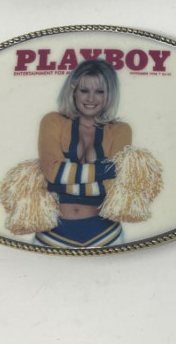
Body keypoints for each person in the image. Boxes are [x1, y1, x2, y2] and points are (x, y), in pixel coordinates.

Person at [34, 59, 132, 248]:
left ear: (110, 94)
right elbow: (52, 173)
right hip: (52, 234)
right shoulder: (52, 121)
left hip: (106, 234)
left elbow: (114, 182)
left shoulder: (120, 130)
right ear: (73, 91)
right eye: (84, 90)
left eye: (100, 91)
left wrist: (61, 183)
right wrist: (101, 172)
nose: (91, 99)